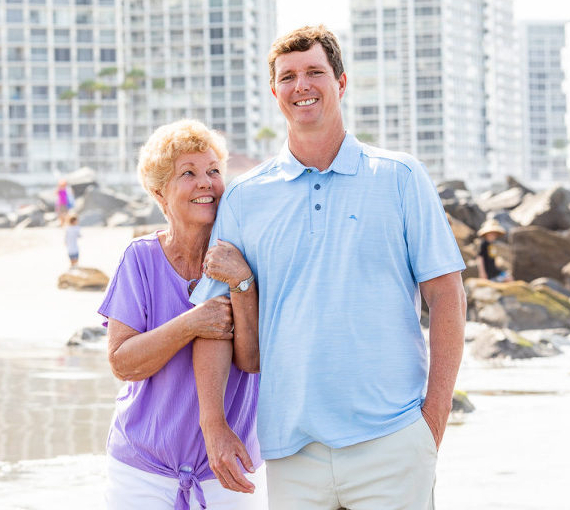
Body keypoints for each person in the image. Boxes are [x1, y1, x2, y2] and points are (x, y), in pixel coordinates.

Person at [191, 25, 467, 510]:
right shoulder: (244, 195)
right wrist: (214, 425)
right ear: (274, 91)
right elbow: (215, 322)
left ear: (340, 83)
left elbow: (447, 296)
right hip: (291, 450)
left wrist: (433, 419)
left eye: (315, 72)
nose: (302, 86)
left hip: (392, 441)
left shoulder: (400, 177)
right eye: (288, 77)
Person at [97, 119, 266, 510]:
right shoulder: (139, 259)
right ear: (159, 193)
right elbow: (123, 362)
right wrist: (190, 323)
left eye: (213, 171)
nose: (206, 182)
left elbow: (251, 358)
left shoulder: (246, 258)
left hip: (231, 466)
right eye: (187, 174)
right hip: (141, 470)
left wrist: (242, 284)